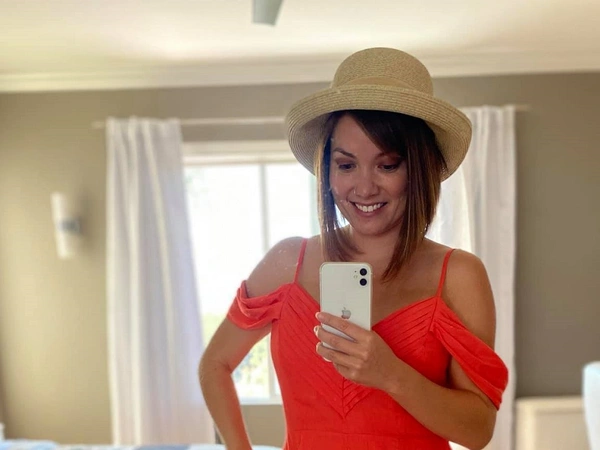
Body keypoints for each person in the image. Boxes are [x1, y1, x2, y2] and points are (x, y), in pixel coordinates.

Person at [198, 47, 508, 450]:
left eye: (387, 165)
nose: (364, 188)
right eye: (346, 165)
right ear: (327, 171)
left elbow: (478, 430)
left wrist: (391, 374)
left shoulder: (459, 276)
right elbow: (215, 364)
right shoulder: (288, 262)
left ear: (420, 169)